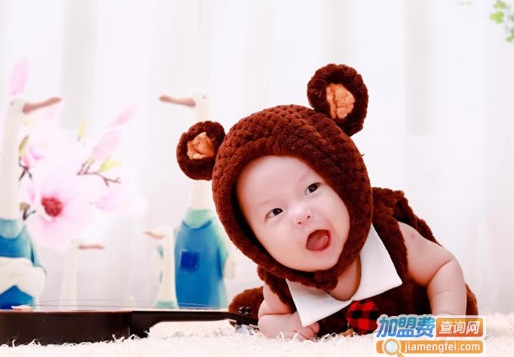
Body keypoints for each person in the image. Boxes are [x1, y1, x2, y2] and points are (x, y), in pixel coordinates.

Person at [174, 63, 478, 340]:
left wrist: (446, 318)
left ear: (344, 186)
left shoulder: (391, 240)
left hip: (409, 320)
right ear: (255, 241)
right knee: (252, 308)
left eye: (311, 188)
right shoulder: (281, 281)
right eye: (275, 211)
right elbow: (269, 317)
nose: (301, 213)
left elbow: (443, 266)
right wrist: (285, 326)